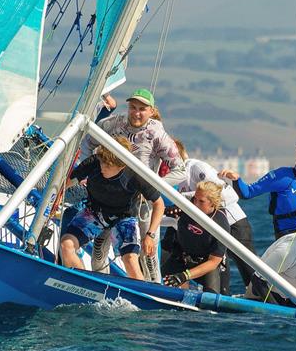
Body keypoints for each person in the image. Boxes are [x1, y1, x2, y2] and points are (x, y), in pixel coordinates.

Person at [80, 87, 185, 282]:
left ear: (151, 111)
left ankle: (153, 290)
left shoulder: (157, 135)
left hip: (139, 201)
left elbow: (181, 170)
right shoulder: (113, 123)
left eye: (142, 109)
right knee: (100, 243)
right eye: (133, 107)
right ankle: (97, 284)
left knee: (148, 249)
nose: (136, 113)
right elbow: (87, 143)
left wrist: (153, 186)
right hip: (108, 195)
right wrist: (85, 174)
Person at [61, 137, 165, 280]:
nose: (102, 167)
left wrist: (150, 235)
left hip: (123, 218)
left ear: (121, 166)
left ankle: (141, 296)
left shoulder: (135, 174)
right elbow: (66, 183)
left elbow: (159, 204)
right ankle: (83, 285)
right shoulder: (95, 162)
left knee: (130, 260)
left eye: (107, 166)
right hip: (94, 212)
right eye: (102, 162)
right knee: (66, 244)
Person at [173, 138, 256, 290]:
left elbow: (231, 196)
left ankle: (267, 302)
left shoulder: (196, 168)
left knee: (249, 272)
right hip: (211, 229)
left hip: (234, 224)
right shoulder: (178, 179)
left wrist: (184, 199)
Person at [161, 181, 228, 293]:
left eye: (201, 201)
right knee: (161, 287)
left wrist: (184, 276)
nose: (195, 204)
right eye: (195, 199)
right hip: (181, 258)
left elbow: (214, 262)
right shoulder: (187, 205)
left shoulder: (220, 223)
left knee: (211, 302)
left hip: (207, 265)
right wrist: (168, 210)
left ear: (213, 204)